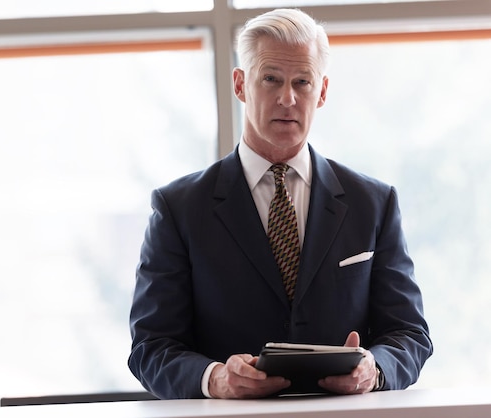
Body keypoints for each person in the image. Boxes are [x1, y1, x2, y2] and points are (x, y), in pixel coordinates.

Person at [128, 8, 432, 400]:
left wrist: (374, 370)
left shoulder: (373, 203)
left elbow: (410, 334)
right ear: (240, 84)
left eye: (302, 82)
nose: (287, 98)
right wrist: (216, 378)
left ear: (321, 92)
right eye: (270, 79)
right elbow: (150, 348)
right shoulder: (179, 209)